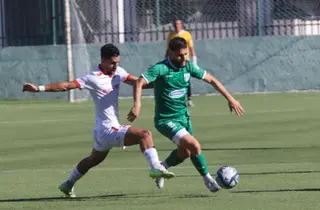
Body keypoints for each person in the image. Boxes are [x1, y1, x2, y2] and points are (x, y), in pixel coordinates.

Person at [22, 44, 175, 198]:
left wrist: (165, 82)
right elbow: (66, 86)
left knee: (92, 160)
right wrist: (39, 88)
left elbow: (139, 83)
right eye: (113, 63)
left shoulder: (118, 73)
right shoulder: (93, 78)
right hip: (107, 130)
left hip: (103, 131)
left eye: (117, 63)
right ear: (103, 59)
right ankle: (156, 167)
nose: (116, 66)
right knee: (145, 135)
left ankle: (68, 184)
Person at [127, 37, 244, 192]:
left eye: (185, 54)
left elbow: (212, 80)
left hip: (183, 117)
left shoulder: (188, 67)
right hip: (165, 120)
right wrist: (137, 105)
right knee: (195, 145)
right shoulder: (161, 68)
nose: (183, 58)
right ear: (170, 53)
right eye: (180, 55)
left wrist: (231, 99)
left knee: (186, 152)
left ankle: (162, 167)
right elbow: (140, 81)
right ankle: (207, 179)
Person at [166, 18, 197, 107]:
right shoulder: (171, 35)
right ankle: (174, 99)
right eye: (175, 24)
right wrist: (166, 59)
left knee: (186, 79)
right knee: (172, 79)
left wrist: (194, 62)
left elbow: (191, 48)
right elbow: (168, 49)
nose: (177, 26)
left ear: (181, 24)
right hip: (173, 61)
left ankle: (189, 98)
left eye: (179, 24)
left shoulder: (186, 34)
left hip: (184, 62)